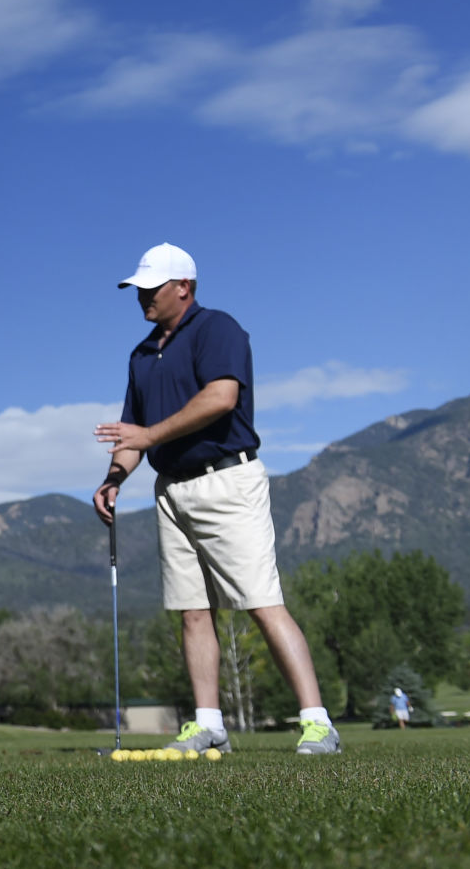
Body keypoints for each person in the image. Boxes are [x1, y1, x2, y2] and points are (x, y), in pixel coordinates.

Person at [92, 243, 340, 755]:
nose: (142, 298)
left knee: (262, 603)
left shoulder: (217, 328)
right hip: (172, 491)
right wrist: (114, 477)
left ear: (183, 287)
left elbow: (221, 397)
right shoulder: (141, 355)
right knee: (192, 610)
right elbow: (134, 436)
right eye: (137, 290)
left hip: (227, 482)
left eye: (151, 288)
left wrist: (148, 435)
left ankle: (317, 723)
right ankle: (210, 726)